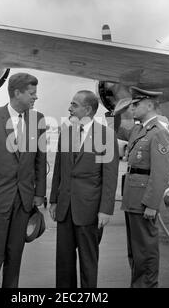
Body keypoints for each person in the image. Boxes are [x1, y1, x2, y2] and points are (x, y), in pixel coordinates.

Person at [0, 73, 46, 288]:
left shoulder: (37, 119)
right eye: (32, 93)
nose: (36, 97)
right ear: (17, 93)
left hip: (23, 201)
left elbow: (40, 161)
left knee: (15, 256)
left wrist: (39, 193)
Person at [49, 90, 119, 288]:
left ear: (87, 109)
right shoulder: (67, 132)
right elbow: (59, 170)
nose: (69, 108)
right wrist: (54, 199)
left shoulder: (106, 135)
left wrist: (105, 209)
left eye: (74, 104)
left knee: (88, 261)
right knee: (63, 261)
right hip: (65, 208)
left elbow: (110, 177)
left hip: (89, 210)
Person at [116, 86, 169, 288]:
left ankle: (147, 285)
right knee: (135, 250)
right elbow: (120, 130)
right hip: (132, 198)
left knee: (145, 250)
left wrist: (152, 204)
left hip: (144, 201)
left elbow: (161, 173)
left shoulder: (158, 133)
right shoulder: (139, 130)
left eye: (136, 104)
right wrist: (118, 110)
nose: (133, 109)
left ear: (149, 105)